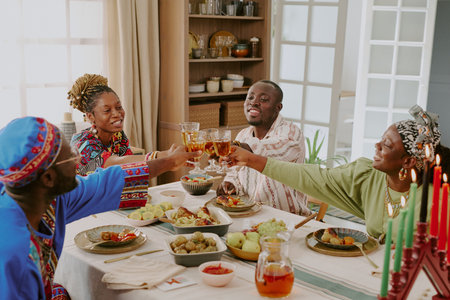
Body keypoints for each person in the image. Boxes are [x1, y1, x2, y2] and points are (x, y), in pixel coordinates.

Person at [0, 116, 200, 299]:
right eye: (71, 157)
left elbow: (106, 181)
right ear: (49, 178)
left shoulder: (47, 197)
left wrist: (170, 161)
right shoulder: (14, 254)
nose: (78, 161)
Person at [224, 105, 450, 240]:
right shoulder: (369, 176)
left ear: (409, 161)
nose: (376, 146)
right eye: (380, 139)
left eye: (387, 145)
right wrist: (252, 160)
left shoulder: (439, 200)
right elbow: (314, 178)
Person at [216, 80, 309, 216]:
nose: (254, 102)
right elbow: (235, 172)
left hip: (288, 218)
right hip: (251, 215)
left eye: (264, 99)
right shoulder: (243, 135)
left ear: (278, 107)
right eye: (250, 97)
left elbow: (278, 149)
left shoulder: (291, 132)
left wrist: (244, 147)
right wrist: (230, 184)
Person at [67, 73, 171, 176]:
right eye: (107, 110)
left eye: (119, 107)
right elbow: (115, 164)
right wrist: (164, 156)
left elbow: (130, 170)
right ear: (91, 117)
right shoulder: (82, 145)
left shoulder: (118, 136)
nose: (117, 114)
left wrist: (168, 157)